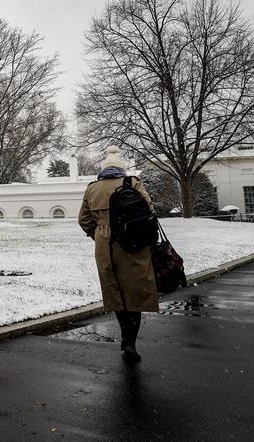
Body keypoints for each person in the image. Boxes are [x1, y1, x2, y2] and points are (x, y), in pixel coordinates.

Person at [78, 145, 158, 363]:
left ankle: (124, 335)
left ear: (103, 170)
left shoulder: (92, 188)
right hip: (133, 241)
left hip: (105, 245)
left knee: (115, 291)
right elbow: (149, 210)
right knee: (135, 291)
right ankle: (131, 341)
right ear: (122, 170)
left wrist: (99, 234)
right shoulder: (132, 183)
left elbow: (83, 220)